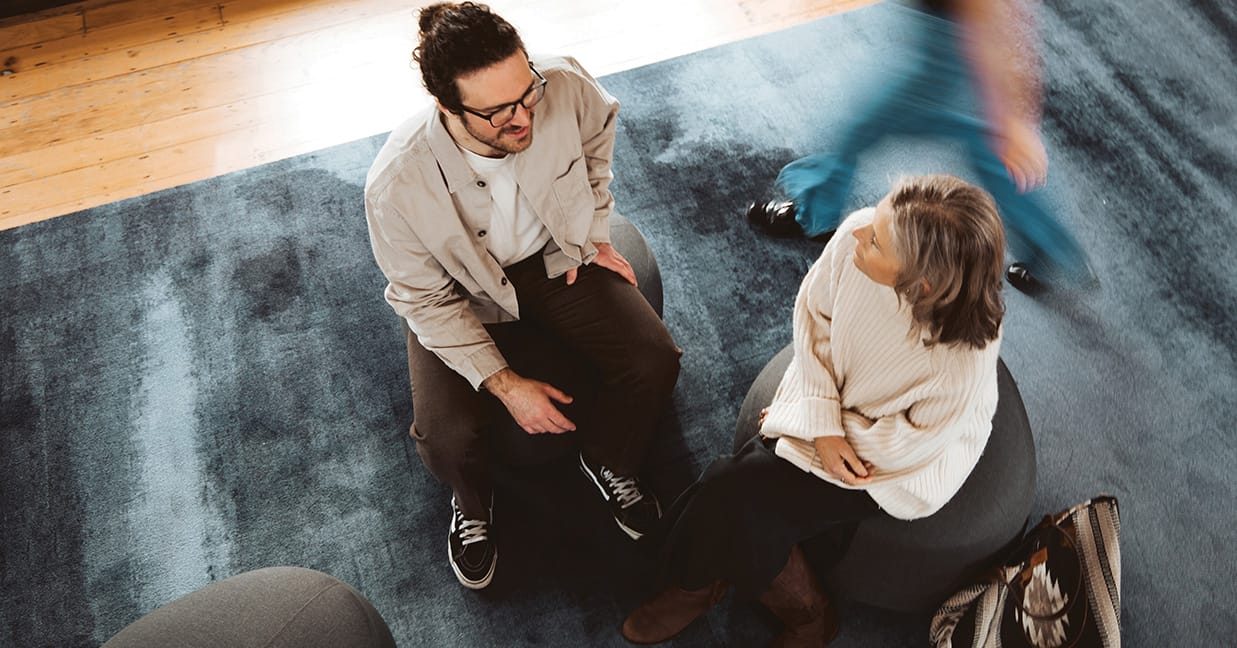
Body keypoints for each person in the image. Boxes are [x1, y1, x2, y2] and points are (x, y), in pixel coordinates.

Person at [364, 2, 680, 590]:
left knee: (654, 360)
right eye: (498, 111)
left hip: (553, 263)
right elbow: (424, 301)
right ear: (446, 108)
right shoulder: (394, 184)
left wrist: (592, 233)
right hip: (458, 295)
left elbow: (596, 153)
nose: (523, 117)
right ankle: (473, 505)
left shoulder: (562, 84)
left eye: (526, 91)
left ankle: (610, 457)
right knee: (447, 440)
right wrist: (504, 385)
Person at [622, 175, 1006, 646]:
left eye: (878, 241)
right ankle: (756, 598)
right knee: (738, 490)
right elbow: (812, 312)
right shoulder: (857, 237)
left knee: (735, 488)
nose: (859, 231)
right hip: (832, 411)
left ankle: (737, 595)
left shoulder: (957, 367)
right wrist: (819, 417)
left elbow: (901, 449)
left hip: (891, 464)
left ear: (920, 283)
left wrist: (805, 431)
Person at [746, 0, 1090, 292]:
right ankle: (1052, 249)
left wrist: (1017, 118)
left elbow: (998, 19)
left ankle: (814, 211)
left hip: (947, 54)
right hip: (941, 38)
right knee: (990, 148)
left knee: (857, 126)